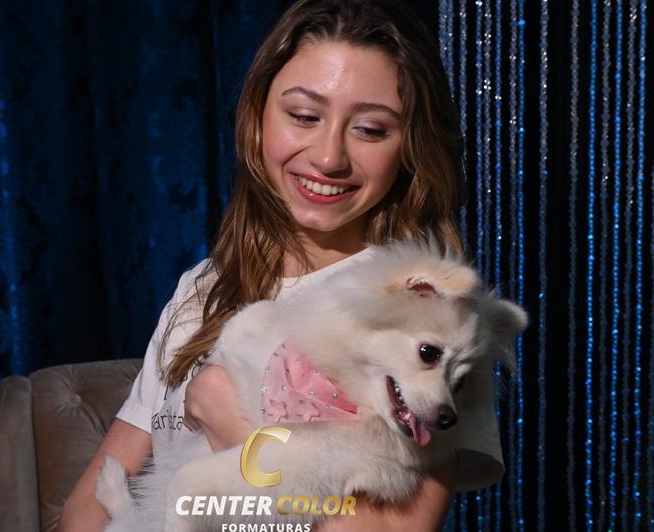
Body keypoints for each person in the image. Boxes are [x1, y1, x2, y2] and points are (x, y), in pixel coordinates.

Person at [58, 0, 504, 530]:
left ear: (410, 147)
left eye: (369, 129)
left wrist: (233, 427)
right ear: (258, 116)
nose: (329, 157)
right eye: (304, 117)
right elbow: (86, 505)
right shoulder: (204, 288)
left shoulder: (433, 320)